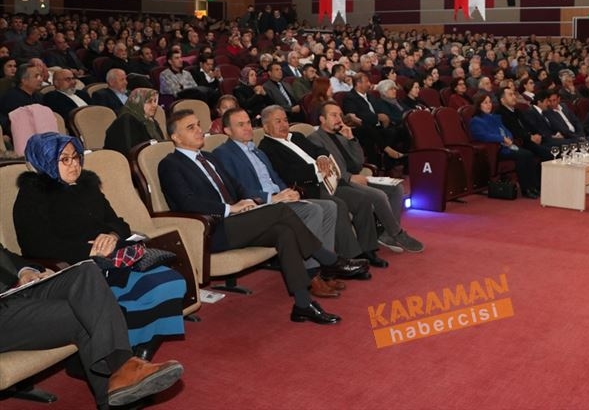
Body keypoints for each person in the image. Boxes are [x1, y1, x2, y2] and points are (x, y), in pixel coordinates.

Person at [158, 109, 367, 324]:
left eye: (198, 125)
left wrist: (250, 201)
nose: (199, 130)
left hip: (237, 221)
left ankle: (303, 305)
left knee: (284, 232)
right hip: (212, 230)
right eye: (190, 127)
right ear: (175, 137)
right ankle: (329, 259)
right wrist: (231, 208)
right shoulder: (170, 164)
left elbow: (238, 187)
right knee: (279, 210)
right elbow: (187, 202)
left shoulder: (209, 158)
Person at [13, 133, 187, 357]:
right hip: (80, 268)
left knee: (172, 281)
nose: (74, 164)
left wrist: (112, 235)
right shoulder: (32, 195)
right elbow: (34, 246)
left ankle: (140, 349)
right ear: (44, 160)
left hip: (115, 257)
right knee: (146, 292)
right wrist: (90, 250)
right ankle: (121, 355)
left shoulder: (87, 185)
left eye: (76, 157)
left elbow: (119, 223)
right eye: (64, 159)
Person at [0, 247, 184, 408]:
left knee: (86, 271)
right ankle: (121, 382)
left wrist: (25, 271)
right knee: (84, 313)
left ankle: (123, 370)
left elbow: (3, 253)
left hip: (14, 293)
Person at [210, 108, 344, 298]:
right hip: (260, 206)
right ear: (227, 131)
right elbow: (237, 189)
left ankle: (326, 271)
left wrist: (288, 192)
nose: (247, 128)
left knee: (329, 207)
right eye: (240, 125)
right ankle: (312, 275)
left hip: (279, 199)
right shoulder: (223, 154)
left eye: (248, 123)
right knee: (314, 211)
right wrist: (271, 198)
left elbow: (275, 179)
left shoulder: (256, 151)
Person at [257, 105, 390, 267]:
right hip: (309, 187)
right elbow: (287, 173)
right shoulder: (267, 148)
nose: (284, 124)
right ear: (266, 127)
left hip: (330, 181)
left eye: (285, 120)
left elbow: (319, 149)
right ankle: (350, 256)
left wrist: (321, 157)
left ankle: (368, 249)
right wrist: (317, 169)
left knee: (363, 200)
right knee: (338, 205)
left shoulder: (297, 136)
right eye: (278, 121)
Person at [309, 101, 424, 253]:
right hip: (341, 183)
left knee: (397, 188)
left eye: (340, 115)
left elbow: (358, 163)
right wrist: (349, 177)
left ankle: (386, 234)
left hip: (355, 177)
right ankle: (397, 233)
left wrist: (351, 140)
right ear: (322, 119)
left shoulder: (342, 136)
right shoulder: (315, 139)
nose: (339, 119)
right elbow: (326, 168)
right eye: (333, 115)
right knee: (379, 195)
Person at [468, 93, 541, 199]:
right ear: (479, 105)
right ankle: (526, 189)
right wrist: (501, 139)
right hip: (497, 149)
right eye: (485, 103)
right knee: (523, 155)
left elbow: (506, 130)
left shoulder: (494, 117)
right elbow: (483, 135)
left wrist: (508, 138)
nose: (489, 105)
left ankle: (533, 186)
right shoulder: (476, 121)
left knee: (528, 154)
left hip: (507, 145)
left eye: (490, 102)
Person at [104, 88, 165, 156]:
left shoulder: (150, 121)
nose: (155, 105)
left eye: (155, 101)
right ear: (137, 102)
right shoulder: (126, 120)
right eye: (149, 101)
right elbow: (131, 151)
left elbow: (161, 143)